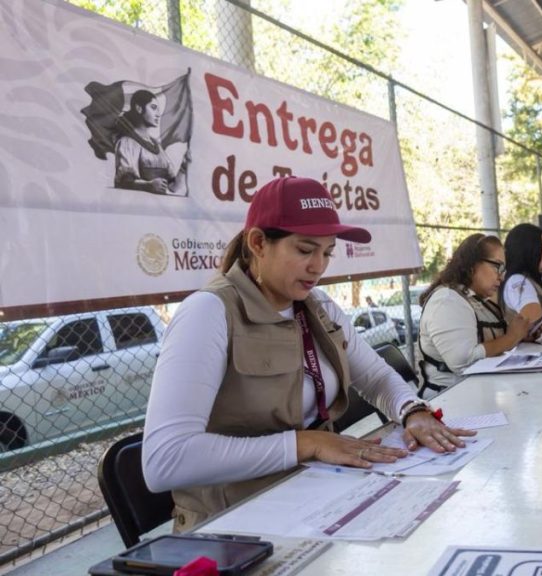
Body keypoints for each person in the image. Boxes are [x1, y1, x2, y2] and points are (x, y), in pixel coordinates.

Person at [142, 176, 474, 530]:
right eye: (305, 250)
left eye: (327, 252)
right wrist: (306, 444)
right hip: (235, 526)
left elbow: (375, 377)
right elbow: (165, 460)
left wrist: (412, 411)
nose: (319, 266)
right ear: (258, 243)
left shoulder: (317, 306)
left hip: (316, 497)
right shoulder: (209, 312)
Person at [417, 234, 530, 392]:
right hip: (447, 397)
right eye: (497, 266)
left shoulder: (474, 299)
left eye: (504, 269)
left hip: (476, 392)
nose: (502, 276)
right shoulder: (447, 301)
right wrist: (511, 338)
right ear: (472, 264)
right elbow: (463, 363)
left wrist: (522, 334)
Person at [114, 90, 188, 196]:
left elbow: (172, 187)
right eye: (153, 108)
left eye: (158, 109)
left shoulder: (156, 145)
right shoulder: (127, 142)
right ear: (139, 108)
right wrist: (148, 185)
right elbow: (124, 182)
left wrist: (184, 167)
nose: (158, 114)